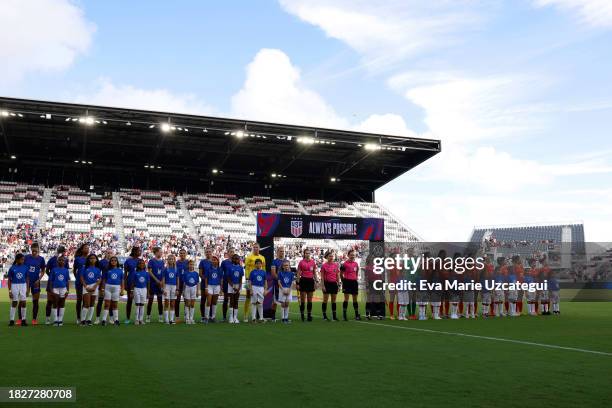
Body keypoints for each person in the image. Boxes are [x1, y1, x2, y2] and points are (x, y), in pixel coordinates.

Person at [243, 243, 265, 322]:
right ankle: (245, 315)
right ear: (253, 248)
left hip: (259, 281)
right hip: (250, 279)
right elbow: (246, 268)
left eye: (257, 247)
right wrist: (247, 278)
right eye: (254, 247)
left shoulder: (262, 257)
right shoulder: (249, 257)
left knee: (259, 300)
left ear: (259, 248)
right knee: (248, 297)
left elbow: (264, 269)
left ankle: (257, 317)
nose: (256, 249)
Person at [24, 242, 46, 325]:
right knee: (23, 300)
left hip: (35, 282)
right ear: (31, 249)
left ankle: (34, 319)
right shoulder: (26, 257)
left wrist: (39, 279)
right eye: (32, 250)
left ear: (38, 250)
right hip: (26, 281)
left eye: (35, 251)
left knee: (35, 301)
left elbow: (43, 270)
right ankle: (21, 319)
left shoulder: (41, 259)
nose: (34, 252)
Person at [44, 245, 66, 325]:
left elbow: (66, 271)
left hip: (61, 285)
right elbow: (47, 270)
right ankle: (47, 318)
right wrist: (53, 278)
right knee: (50, 301)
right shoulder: (52, 260)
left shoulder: (65, 260)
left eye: (63, 252)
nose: (62, 253)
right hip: (51, 283)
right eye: (61, 252)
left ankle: (58, 319)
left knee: (60, 302)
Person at [101, 256, 123, 326]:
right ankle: (104, 320)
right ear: (110, 262)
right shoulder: (107, 270)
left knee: (115, 305)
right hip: (108, 287)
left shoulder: (120, 270)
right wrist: (102, 289)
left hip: (116, 288)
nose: (113, 262)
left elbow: (122, 281)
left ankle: (116, 320)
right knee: (107, 304)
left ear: (117, 262)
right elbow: (104, 280)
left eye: (115, 260)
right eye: (112, 260)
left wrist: (122, 290)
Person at [48, 256, 70, 326]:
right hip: (55, 288)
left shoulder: (66, 270)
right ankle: (55, 320)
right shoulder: (54, 270)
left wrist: (67, 290)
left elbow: (67, 281)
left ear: (65, 262)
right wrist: (51, 290)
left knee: (62, 303)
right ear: (57, 261)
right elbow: (51, 281)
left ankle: (60, 320)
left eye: (63, 260)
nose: (61, 261)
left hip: (63, 288)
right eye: (60, 260)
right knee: (55, 303)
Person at [80, 254, 102, 326]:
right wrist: (86, 286)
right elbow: (82, 278)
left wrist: (95, 286)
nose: (92, 260)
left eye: (94, 258)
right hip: (87, 286)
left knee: (92, 304)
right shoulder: (84, 268)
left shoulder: (98, 269)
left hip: (94, 286)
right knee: (87, 304)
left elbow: (99, 279)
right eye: (91, 258)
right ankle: (83, 320)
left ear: (96, 260)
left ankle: (89, 320)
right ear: (88, 260)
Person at [8, 254, 28, 326]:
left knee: (24, 302)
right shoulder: (12, 268)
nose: (22, 261)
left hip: (23, 285)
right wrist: (10, 291)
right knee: (14, 302)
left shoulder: (25, 267)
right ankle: (11, 320)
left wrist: (27, 289)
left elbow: (27, 278)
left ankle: (23, 320)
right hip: (14, 285)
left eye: (23, 259)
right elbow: (9, 280)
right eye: (21, 259)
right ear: (17, 260)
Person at [340, 249, 361, 321]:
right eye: (351, 255)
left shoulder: (356, 264)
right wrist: (344, 281)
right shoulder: (344, 264)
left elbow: (357, 272)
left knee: (355, 299)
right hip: (347, 282)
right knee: (346, 299)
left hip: (354, 282)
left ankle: (357, 315)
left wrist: (355, 278)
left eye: (354, 255)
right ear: (348, 255)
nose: (352, 256)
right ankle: (344, 315)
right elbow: (341, 274)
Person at [297, 248, 316, 322]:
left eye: (308, 253)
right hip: (303, 280)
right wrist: (298, 283)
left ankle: (309, 315)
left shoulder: (313, 262)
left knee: (310, 300)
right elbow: (298, 273)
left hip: (310, 281)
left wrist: (316, 281)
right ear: (304, 254)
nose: (307, 254)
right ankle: (302, 315)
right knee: (303, 300)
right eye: (306, 253)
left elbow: (314, 272)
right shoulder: (301, 262)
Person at [320, 251, 340, 321]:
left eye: (332, 256)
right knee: (325, 300)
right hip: (326, 284)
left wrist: (339, 284)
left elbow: (337, 275)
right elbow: (322, 276)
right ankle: (324, 316)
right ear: (326, 257)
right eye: (330, 256)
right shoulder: (324, 266)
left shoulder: (336, 265)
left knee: (333, 301)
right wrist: (323, 286)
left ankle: (334, 316)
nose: (331, 257)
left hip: (334, 284)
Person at [123, 246, 141, 324]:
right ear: (134, 252)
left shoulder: (141, 261)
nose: (140, 252)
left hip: (139, 283)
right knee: (129, 301)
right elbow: (125, 273)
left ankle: (139, 319)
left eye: (140, 251)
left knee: (139, 302)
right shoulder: (128, 261)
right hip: (130, 282)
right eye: (138, 251)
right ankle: (128, 318)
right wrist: (125, 283)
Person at [95, 249, 113, 324]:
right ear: (105, 253)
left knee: (111, 302)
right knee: (100, 301)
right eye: (108, 253)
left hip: (111, 284)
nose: (109, 254)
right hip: (103, 283)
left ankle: (111, 318)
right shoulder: (102, 262)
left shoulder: (114, 262)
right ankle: (97, 318)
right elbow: (98, 272)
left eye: (110, 253)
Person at [73, 243, 90, 325]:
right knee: (79, 300)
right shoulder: (78, 259)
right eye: (85, 248)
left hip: (88, 283)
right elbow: (74, 270)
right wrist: (78, 278)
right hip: (79, 283)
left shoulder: (91, 259)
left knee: (86, 301)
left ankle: (84, 318)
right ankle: (78, 317)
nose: (87, 249)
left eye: (88, 248)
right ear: (82, 250)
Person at [147, 247, 165, 323]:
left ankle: (160, 316)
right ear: (156, 252)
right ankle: (148, 316)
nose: (161, 253)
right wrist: (157, 280)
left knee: (160, 300)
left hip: (160, 284)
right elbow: (150, 272)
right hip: (152, 283)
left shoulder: (162, 262)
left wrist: (162, 281)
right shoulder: (151, 261)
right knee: (150, 300)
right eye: (160, 252)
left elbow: (163, 272)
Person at [226, 253, 244, 324]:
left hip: (238, 285)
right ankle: (231, 317)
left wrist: (239, 287)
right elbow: (228, 278)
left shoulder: (240, 268)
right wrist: (233, 286)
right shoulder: (229, 267)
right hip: (231, 285)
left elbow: (240, 279)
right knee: (231, 301)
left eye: (237, 258)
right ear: (232, 259)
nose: (236, 260)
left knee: (236, 301)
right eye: (234, 258)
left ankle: (235, 317)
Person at [204, 256, 222, 323]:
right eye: (213, 260)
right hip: (210, 286)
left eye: (215, 260)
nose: (214, 261)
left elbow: (221, 279)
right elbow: (206, 278)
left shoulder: (220, 269)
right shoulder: (209, 269)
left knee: (214, 302)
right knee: (208, 301)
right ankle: (206, 317)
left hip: (217, 286)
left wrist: (221, 289)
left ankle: (213, 317)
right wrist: (206, 287)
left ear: (217, 261)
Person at [270, 247, 287, 320]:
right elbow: (273, 273)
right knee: (274, 301)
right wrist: (280, 280)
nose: (282, 252)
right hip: (276, 284)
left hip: (285, 285)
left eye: (283, 251)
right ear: (277, 252)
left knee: (285, 301)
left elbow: (288, 272)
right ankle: (273, 317)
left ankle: (284, 317)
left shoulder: (286, 261)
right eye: (280, 251)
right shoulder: (274, 261)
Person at [162, 254, 179, 324]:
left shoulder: (176, 269)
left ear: (174, 260)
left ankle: (171, 320)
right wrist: (163, 289)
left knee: (172, 303)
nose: (171, 260)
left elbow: (178, 279)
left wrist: (177, 289)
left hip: (174, 287)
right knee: (166, 303)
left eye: (172, 259)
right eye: (170, 259)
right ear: (168, 260)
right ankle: (166, 319)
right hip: (167, 286)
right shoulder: (165, 269)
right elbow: (163, 279)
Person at [249, 259, 267, 323]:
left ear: (261, 264)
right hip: (254, 287)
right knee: (254, 303)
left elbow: (265, 281)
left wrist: (265, 290)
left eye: (259, 263)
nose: (258, 265)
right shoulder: (252, 272)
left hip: (261, 288)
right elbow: (250, 281)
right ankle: (253, 318)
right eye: (257, 263)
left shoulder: (263, 272)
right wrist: (250, 289)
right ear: (255, 264)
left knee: (260, 304)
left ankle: (261, 318)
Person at [182, 260, 200, 325]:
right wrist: (183, 291)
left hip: (194, 288)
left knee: (192, 304)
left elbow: (197, 283)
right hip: (187, 287)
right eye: (190, 264)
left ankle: (191, 318)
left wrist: (198, 291)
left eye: (192, 264)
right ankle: (187, 318)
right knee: (187, 303)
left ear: (194, 265)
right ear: (188, 265)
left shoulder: (196, 273)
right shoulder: (185, 273)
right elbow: (184, 283)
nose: (191, 266)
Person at [198, 247, 213, 323]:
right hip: (204, 284)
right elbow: (200, 274)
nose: (208, 253)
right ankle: (203, 316)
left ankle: (210, 316)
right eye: (207, 252)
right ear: (205, 253)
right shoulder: (202, 262)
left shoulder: (214, 261)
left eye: (209, 252)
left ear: (212, 252)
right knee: (203, 300)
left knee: (211, 301)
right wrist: (206, 279)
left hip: (213, 284)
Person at [133, 259, 150, 325]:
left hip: (144, 289)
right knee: (137, 304)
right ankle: (136, 319)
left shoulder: (146, 273)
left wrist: (148, 292)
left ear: (144, 264)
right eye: (140, 263)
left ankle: (141, 319)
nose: (141, 264)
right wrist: (132, 290)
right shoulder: (135, 272)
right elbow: (133, 282)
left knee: (142, 304)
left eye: (143, 263)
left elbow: (148, 283)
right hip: (136, 289)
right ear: (138, 265)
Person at [220, 248, 235, 322]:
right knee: (225, 300)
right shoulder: (224, 262)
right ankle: (224, 317)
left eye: (233, 252)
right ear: (228, 253)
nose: (232, 253)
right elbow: (221, 274)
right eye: (230, 252)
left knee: (233, 300)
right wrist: (221, 284)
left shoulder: (237, 262)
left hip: (234, 283)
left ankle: (232, 317)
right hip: (226, 283)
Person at [175, 249, 189, 321]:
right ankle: (177, 317)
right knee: (177, 300)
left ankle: (186, 316)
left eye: (183, 253)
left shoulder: (188, 262)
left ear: (186, 254)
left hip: (186, 284)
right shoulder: (176, 263)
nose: (182, 254)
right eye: (181, 253)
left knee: (186, 300)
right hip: (179, 284)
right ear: (179, 254)